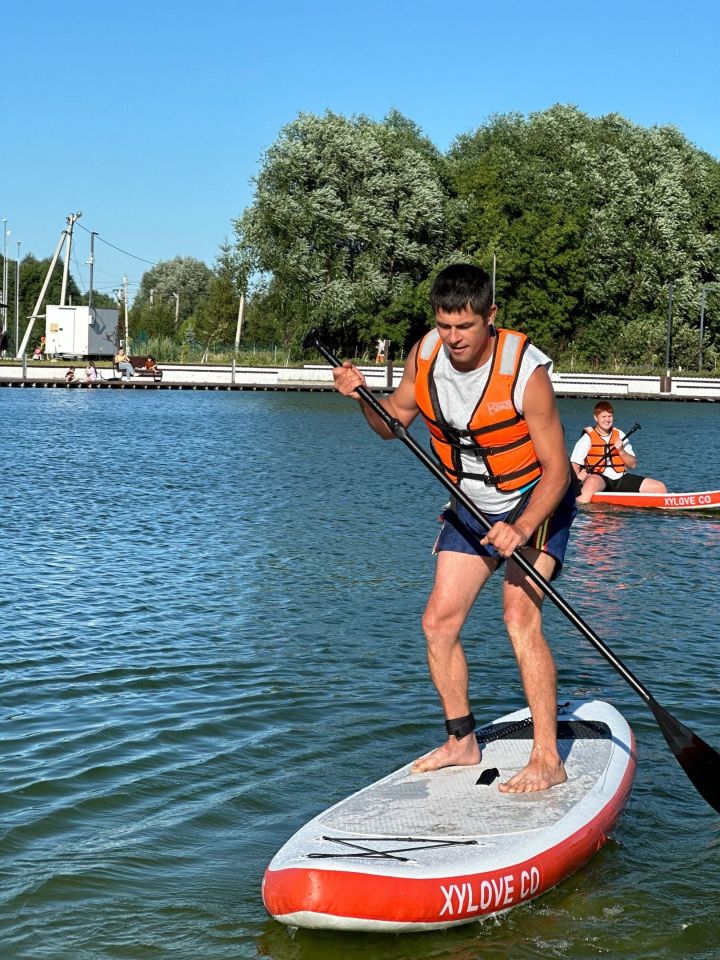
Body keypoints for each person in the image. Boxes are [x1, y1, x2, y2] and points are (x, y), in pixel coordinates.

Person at [332, 263, 576, 794]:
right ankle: (462, 741)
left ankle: (547, 757)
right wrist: (363, 398)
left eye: (464, 326)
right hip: (471, 505)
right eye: (444, 326)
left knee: (519, 618)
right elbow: (391, 425)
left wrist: (524, 525)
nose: (453, 338)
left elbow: (558, 471)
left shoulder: (526, 372)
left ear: (491, 316)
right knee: (438, 624)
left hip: (538, 502)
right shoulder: (425, 356)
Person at [570, 401, 667, 503]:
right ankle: (577, 509)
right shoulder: (587, 438)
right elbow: (575, 464)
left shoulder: (620, 434)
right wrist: (577, 480)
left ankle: (667, 507)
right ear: (596, 418)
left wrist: (621, 450)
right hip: (599, 479)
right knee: (591, 481)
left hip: (621, 478)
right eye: (604, 416)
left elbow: (633, 464)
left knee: (659, 487)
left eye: (610, 416)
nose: (607, 420)